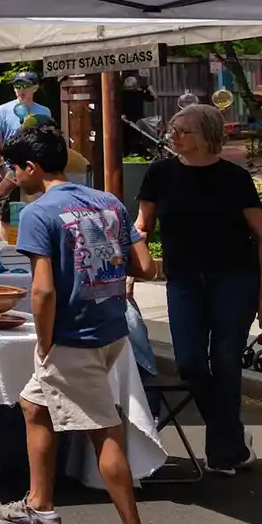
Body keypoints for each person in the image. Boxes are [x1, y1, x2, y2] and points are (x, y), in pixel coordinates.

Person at [0, 125, 150, 524]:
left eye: (14, 168)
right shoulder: (108, 201)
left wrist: (44, 341)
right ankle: (39, 505)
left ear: (32, 167)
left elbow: (42, 291)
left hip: (73, 337)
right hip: (111, 329)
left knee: (104, 432)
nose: (12, 177)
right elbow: (145, 266)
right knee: (33, 405)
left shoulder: (38, 212)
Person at [131, 103, 262, 475]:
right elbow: (141, 226)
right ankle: (231, 439)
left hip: (234, 279)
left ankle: (221, 453)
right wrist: (129, 269)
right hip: (184, 280)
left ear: (207, 135)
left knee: (225, 362)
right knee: (189, 363)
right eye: (172, 129)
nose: (173, 135)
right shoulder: (160, 173)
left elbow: (260, 233)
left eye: (183, 130)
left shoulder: (235, 178)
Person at [0, 70, 53, 141]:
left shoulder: (45, 112)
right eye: (17, 86)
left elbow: (49, 139)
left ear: (35, 88)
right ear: (14, 88)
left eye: (25, 86)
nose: (21, 90)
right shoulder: (2, 110)